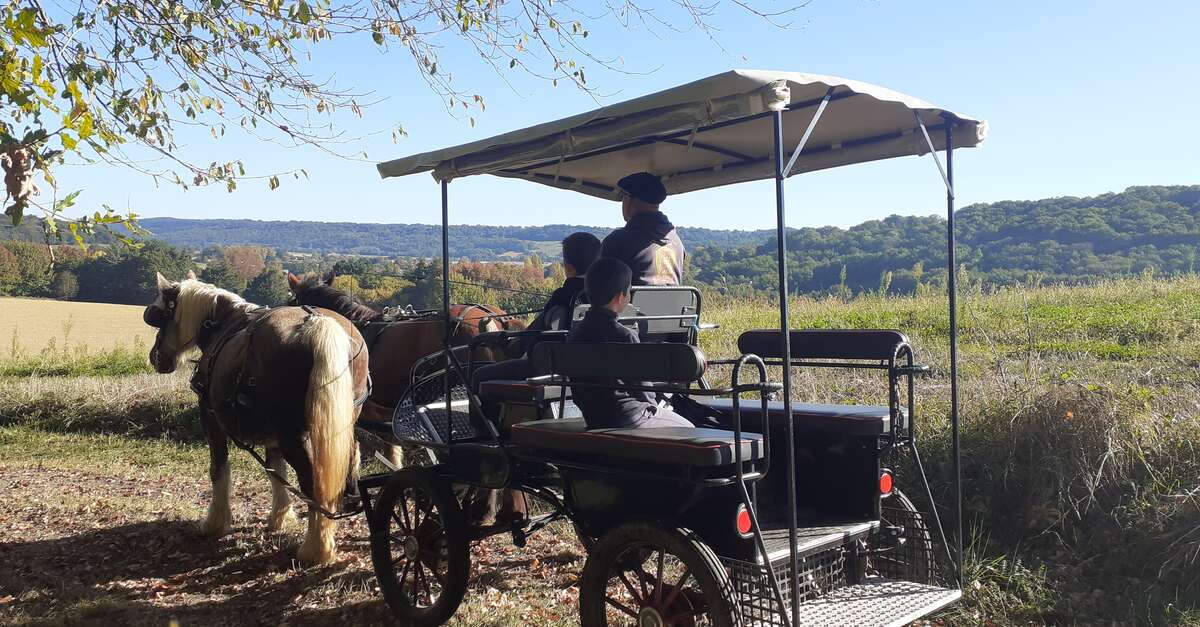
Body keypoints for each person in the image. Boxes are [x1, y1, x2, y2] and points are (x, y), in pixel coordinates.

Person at [471, 232, 602, 398]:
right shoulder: (606, 294)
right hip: (590, 366)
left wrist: (507, 343)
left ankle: (488, 423)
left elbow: (533, 334)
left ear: (568, 267)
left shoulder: (564, 296)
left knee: (479, 375)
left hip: (551, 366)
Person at [568, 257, 693, 429]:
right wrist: (654, 408)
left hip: (594, 417)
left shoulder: (575, 335)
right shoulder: (625, 336)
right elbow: (644, 390)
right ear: (620, 297)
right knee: (688, 428)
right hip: (631, 417)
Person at [600, 172, 686, 286]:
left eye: (622, 196)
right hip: (675, 304)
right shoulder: (676, 242)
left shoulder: (617, 241)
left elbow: (601, 288)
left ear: (628, 199)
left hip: (632, 304)